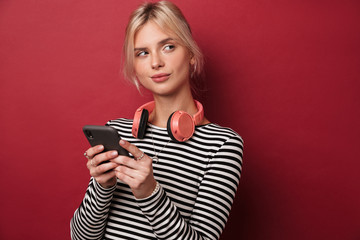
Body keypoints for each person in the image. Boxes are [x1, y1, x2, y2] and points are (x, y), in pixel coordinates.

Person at [70, 1, 244, 239]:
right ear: (135, 66)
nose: (155, 63)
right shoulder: (117, 133)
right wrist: (103, 187)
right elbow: (80, 237)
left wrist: (150, 193)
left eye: (168, 47)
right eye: (143, 53)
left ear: (191, 54)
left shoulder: (223, 146)